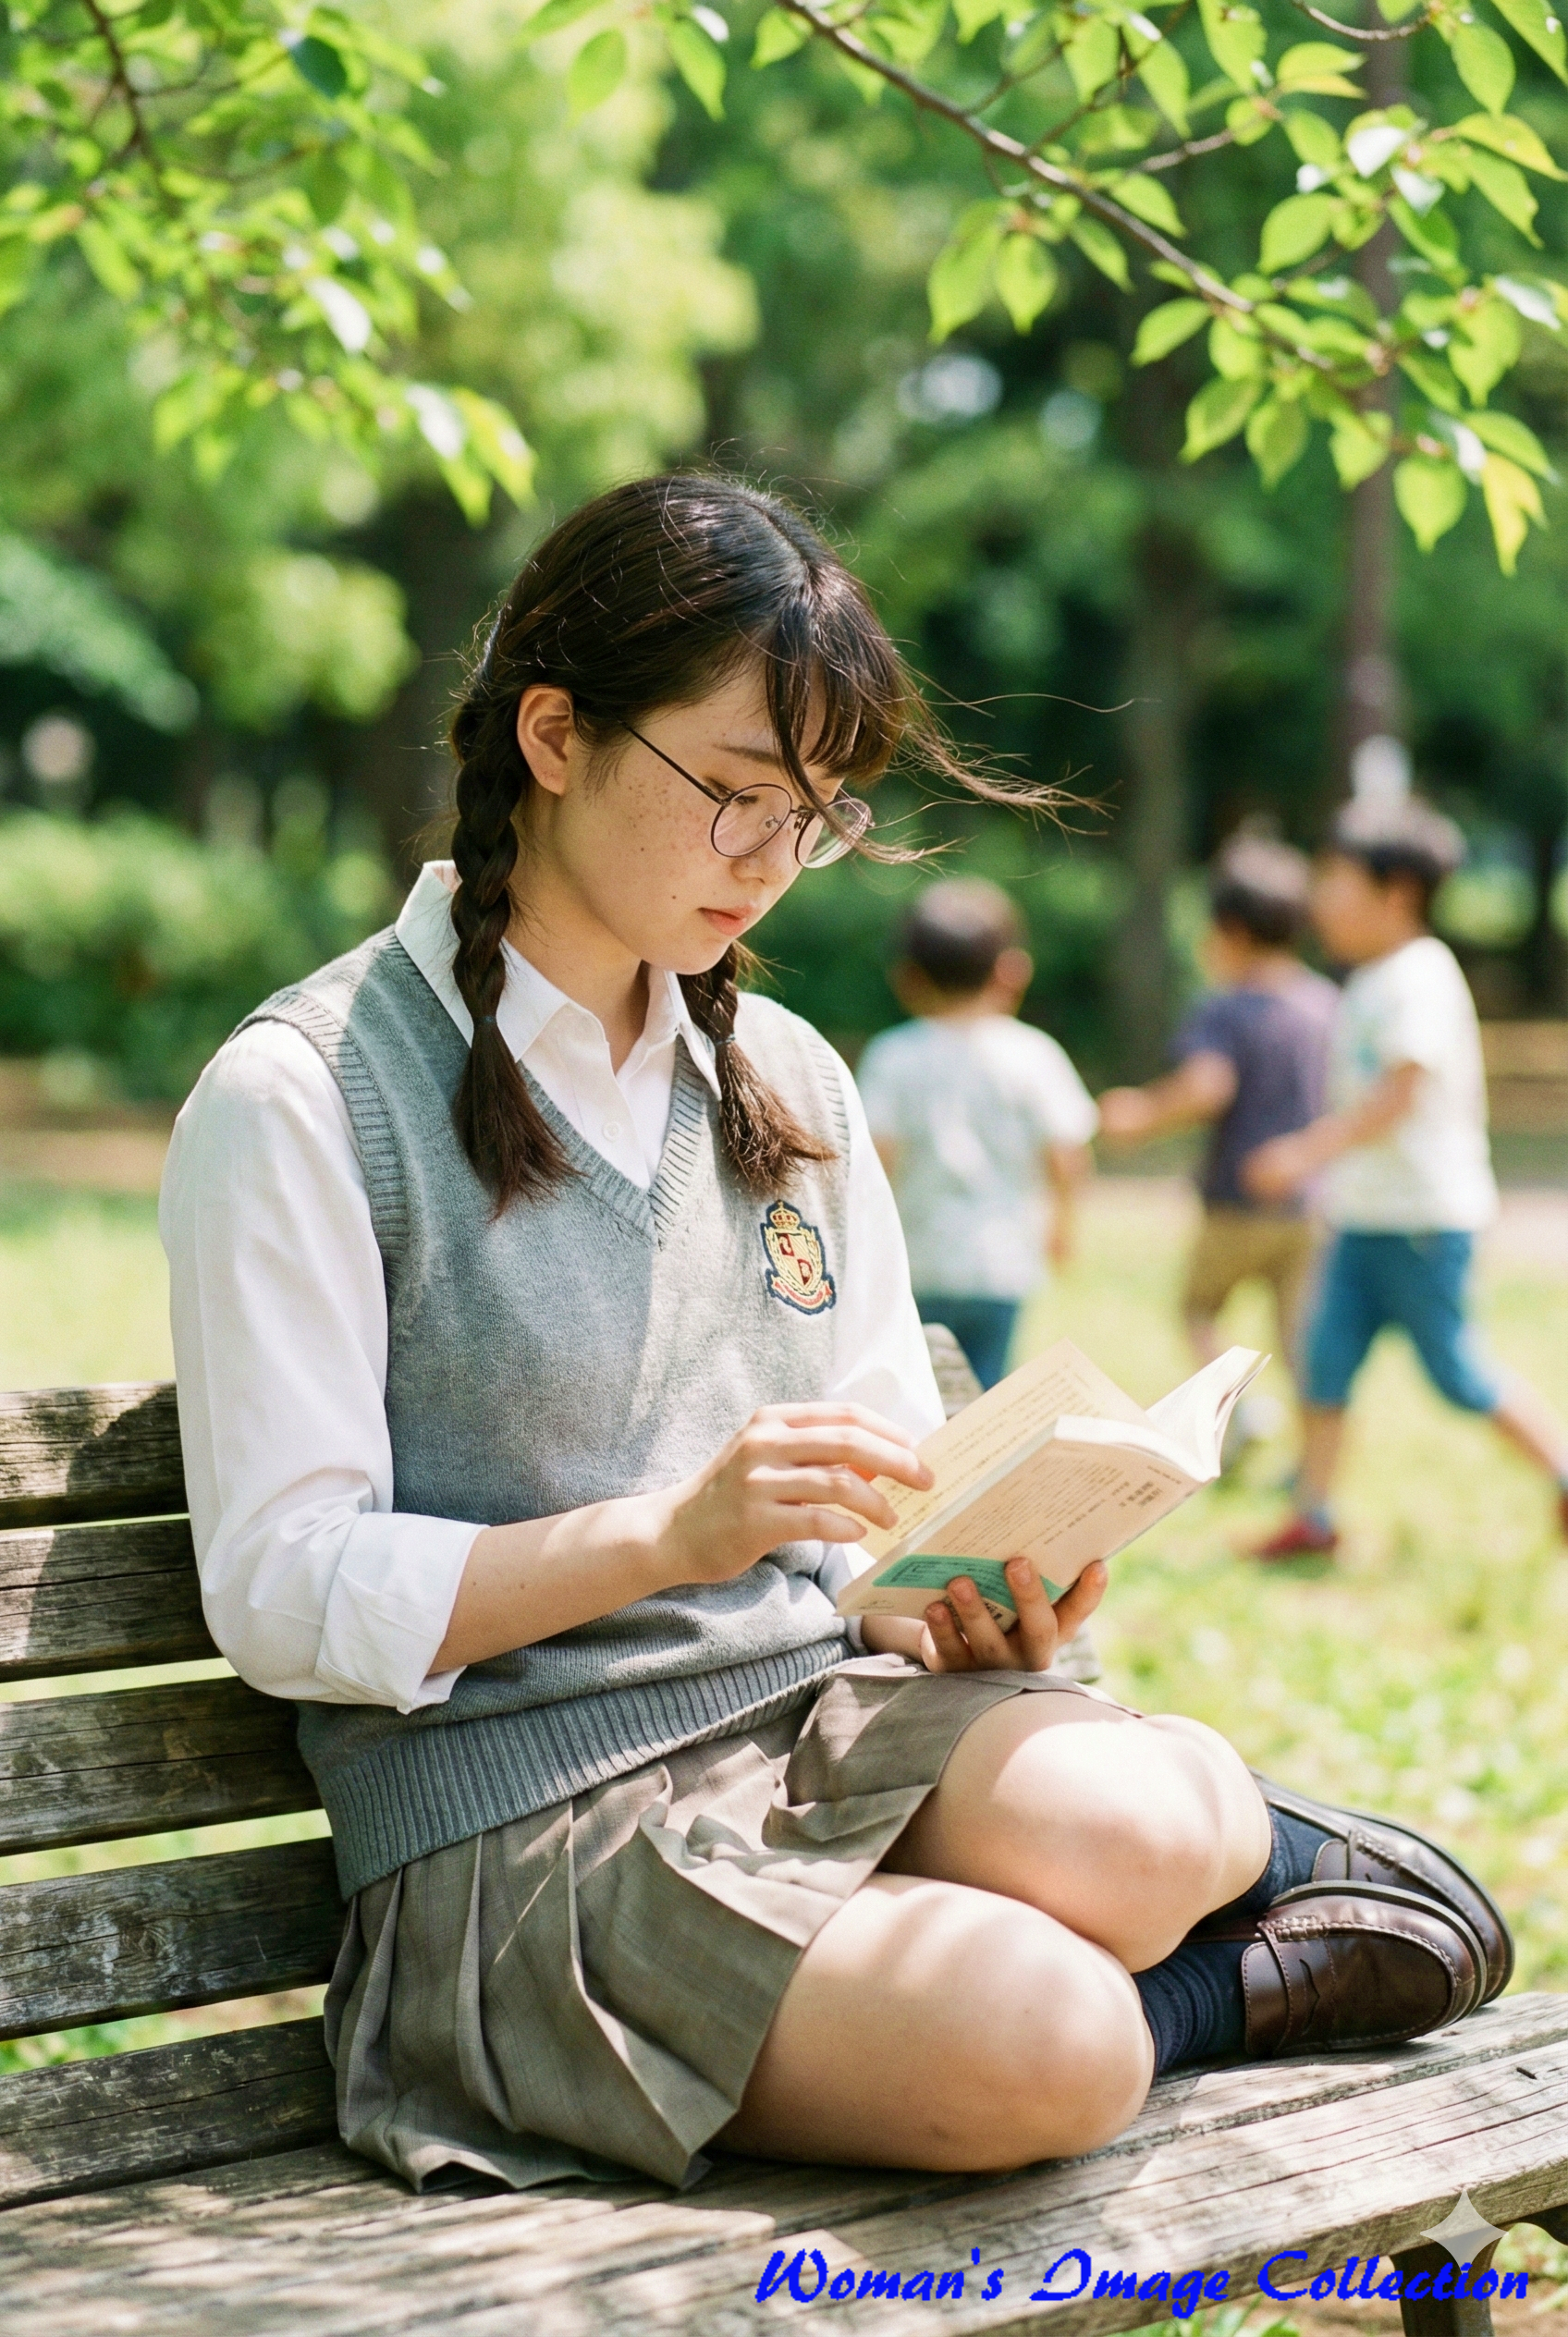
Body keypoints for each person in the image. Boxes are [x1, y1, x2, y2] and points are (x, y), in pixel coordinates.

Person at [160, 475, 1509, 2199]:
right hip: (528, 1835)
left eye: (817, 816)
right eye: (732, 796)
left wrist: (944, 1587)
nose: (774, 864)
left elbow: (866, 1508)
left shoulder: (786, 1077)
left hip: (812, 1721)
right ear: (555, 734)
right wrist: (673, 1534)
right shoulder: (305, 1094)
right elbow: (281, 1586)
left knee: (1166, 1818)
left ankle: (1195, 1874)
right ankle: (1188, 1975)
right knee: (1060, 2042)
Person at [1243, 796, 1568, 1558]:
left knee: (1457, 1373)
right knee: (1323, 1362)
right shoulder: (1369, 977)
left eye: (1337, 881)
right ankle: (1313, 1516)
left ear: (1398, 894)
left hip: (1425, 1219)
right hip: (1364, 1217)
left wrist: (1303, 1154)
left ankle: (1561, 1471)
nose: (1322, 898)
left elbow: (1400, 1092)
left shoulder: (1418, 975)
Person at [1097, 833, 1337, 1454]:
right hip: (1310, 1204)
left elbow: (1208, 1087)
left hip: (1236, 1201)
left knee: (1198, 1312)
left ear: (1227, 929)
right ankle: (1312, 1461)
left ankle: (1246, 1414)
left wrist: (1142, 1113)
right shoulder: (1325, 1004)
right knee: (1301, 1339)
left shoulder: (1225, 1009)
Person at [855, 878, 1096, 1390]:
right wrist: (1063, 1226)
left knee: (918, 1391)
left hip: (918, 1258)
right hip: (1001, 1262)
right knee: (985, 1395)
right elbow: (1066, 1153)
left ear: (908, 977)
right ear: (1011, 973)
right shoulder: (1033, 1054)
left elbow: (878, 1158)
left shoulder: (893, 1056)